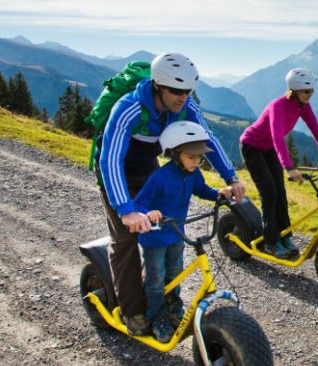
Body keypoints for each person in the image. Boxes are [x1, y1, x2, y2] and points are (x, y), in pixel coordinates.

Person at [97, 52, 245, 336]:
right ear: (157, 85)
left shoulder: (185, 105)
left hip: (148, 168)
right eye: (176, 90)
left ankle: (162, 297)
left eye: (188, 90)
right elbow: (110, 159)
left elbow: (208, 137)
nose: (182, 96)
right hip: (117, 173)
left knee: (166, 230)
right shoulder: (128, 108)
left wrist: (231, 177)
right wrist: (125, 209)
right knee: (126, 239)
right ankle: (133, 312)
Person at [133, 121, 233, 342]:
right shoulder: (159, 178)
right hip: (155, 237)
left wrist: (220, 195)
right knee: (156, 279)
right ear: (175, 153)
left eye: (199, 158)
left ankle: (173, 309)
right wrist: (149, 213)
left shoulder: (193, 174)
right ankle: (156, 316)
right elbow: (138, 205)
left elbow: (202, 190)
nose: (196, 161)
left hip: (176, 234)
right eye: (191, 157)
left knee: (175, 273)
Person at [239, 67, 318, 259]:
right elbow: (278, 136)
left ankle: (284, 236)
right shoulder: (277, 106)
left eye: (312, 91)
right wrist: (289, 167)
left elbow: (316, 130)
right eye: (306, 91)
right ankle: (270, 242)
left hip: (268, 148)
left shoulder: (303, 106)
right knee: (269, 193)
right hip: (252, 147)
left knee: (281, 192)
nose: (310, 95)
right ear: (294, 90)